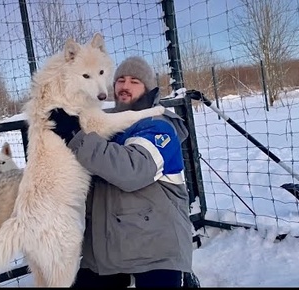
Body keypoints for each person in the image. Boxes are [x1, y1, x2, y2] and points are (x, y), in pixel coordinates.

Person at [48, 56, 200, 288]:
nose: (125, 86)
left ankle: (182, 278)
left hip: (156, 248)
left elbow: (132, 170)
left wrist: (75, 137)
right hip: (106, 250)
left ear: (148, 88)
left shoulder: (159, 126)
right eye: (120, 80)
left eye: (134, 81)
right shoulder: (105, 127)